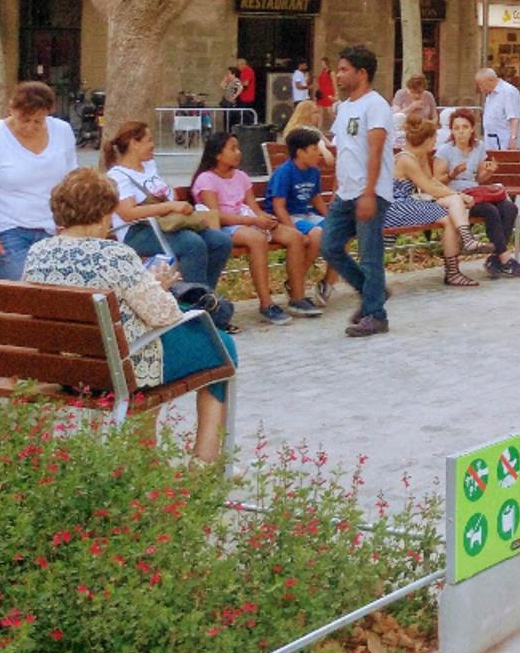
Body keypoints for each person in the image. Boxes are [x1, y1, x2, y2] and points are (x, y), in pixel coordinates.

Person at [24, 169, 238, 463]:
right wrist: (160, 289)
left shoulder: (38, 253)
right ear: (103, 214)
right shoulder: (116, 255)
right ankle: (205, 461)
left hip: (69, 369)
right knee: (222, 345)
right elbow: (165, 315)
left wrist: (148, 289)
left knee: (149, 345)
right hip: (119, 370)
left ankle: (143, 457)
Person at [192, 131, 317, 325]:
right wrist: (253, 222)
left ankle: (297, 297)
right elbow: (215, 216)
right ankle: (266, 304)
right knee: (257, 240)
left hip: (248, 221)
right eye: (232, 148)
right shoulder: (206, 179)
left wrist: (264, 218)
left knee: (294, 236)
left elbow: (253, 207)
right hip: (225, 227)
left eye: (238, 147)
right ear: (217, 154)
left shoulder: (241, 176)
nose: (238, 152)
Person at [0, 81, 78, 281]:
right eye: (24, 119)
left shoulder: (62, 131)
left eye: (38, 121)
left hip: (53, 226)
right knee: (23, 288)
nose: (30, 127)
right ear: (11, 108)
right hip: (9, 229)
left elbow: (71, 179)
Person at [103, 122, 234, 289]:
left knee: (221, 241)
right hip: (137, 231)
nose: (153, 146)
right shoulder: (119, 176)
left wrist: (173, 201)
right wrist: (170, 206)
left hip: (166, 224)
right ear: (134, 143)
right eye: (149, 140)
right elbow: (127, 213)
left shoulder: (149, 166)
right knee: (192, 244)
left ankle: (205, 295)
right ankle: (194, 301)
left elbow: (166, 193)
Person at [325, 47, 393, 337]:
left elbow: (375, 151)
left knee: (370, 255)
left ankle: (376, 315)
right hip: (346, 192)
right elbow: (344, 150)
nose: (338, 76)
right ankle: (372, 292)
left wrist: (369, 193)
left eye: (343, 70)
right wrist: (336, 187)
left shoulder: (375, 105)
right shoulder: (343, 107)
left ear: (361, 73)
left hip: (370, 191)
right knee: (328, 245)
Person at [391, 115, 485, 289]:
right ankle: (457, 262)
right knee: (450, 215)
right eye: (434, 138)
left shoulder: (420, 156)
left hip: (410, 203)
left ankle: (457, 262)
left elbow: (433, 182)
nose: (435, 142)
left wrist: (455, 194)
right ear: (426, 139)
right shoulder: (406, 159)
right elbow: (430, 189)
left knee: (449, 216)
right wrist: (459, 195)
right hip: (396, 208)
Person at [437, 109, 520, 279]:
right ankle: (505, 259)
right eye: (456, 128)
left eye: (465, 127)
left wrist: (489, 172)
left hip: (476, 192)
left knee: (509, 208)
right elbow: (436, 181)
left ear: (472, 129)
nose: (461, 131)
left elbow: (479, 178)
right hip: (457, 197)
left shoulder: (478, 147)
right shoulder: (445, 151)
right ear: (451, 130)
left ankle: (496, 259)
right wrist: (453, 174)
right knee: (490, 210)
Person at [266, 127, 335, 306]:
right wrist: (292, 230)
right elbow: (278, 207)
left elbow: (316, 198)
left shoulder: (313, 171)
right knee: (316, 234)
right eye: (314, 149)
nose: (318, 155)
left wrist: (331, 218)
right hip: (287, 216)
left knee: (340, 231)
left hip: (306, 213)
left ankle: (327, 283)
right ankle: (296, 282)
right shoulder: (285, 172)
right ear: (300, 152)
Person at [475, 67, 520, 152]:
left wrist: (513, 138)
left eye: (481, 84)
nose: (481, 88)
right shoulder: (490, 94)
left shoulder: (508, 92)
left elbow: (514, 118)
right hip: (492, 141)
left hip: (505, 141)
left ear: (490, 80)